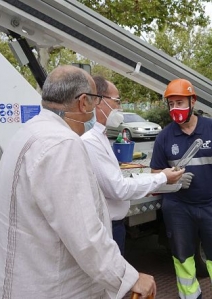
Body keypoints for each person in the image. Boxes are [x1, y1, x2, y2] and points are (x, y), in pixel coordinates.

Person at [0, 65, 156, 299]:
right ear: (83, 102)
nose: (98, 107)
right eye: (97, 100)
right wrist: (129, 277)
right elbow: (85, 235)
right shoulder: (62, 145)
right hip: (53, 288)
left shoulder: (28, 133)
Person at [150, 78, 212, 299]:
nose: (175, 109)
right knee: (182, 256)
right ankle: (190, 296)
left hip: (210, 204)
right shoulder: (165, 136)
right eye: (171, 104)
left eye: (180, 102)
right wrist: (174, 182)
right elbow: (155, 174)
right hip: (177, 207)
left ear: (193, 101)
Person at [81, 76, 184, 255]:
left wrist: (152, 178)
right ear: (97, 101)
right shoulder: (91, 142)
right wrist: (162, 177)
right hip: (108, 228)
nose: (118, 108)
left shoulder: (101, 137)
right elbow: (118, 189)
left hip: (113, 226)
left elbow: (116, 180)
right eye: (116, 101)